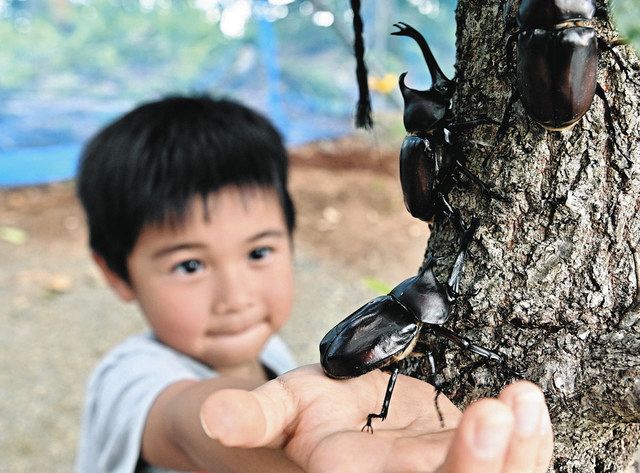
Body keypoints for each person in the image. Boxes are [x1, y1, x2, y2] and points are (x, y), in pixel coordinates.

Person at [74, 94, 553, 473]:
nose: (235, 296)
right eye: (190, 266)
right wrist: (294, 452)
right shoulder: (129, 379)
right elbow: (188, 426)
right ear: (116, 273)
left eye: (258, 253)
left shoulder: (273, 356)